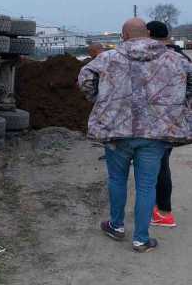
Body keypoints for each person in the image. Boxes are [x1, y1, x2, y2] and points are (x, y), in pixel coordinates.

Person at [78, 17, 192, 252]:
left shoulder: (108, 58)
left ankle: (116, 226)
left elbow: (85, 79)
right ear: (147, 34)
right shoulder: (175, 59)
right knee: (146, 185)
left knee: (117, 179)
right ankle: (141, 239)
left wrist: (101, 100)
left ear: (124, 36)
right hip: (155, 134)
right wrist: (178, 103)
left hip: (117, 131)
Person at [146, 20, 190, 228]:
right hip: (173, 122)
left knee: (159, 166)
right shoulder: (182, 58)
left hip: (156, 123)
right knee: (160, 164)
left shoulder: (157, 58)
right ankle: (158, 209)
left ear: (149, 34)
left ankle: (164, 212)